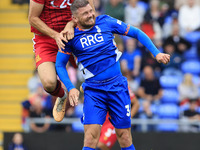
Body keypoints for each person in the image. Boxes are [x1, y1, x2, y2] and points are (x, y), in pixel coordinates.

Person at [55, 0, 170, 149]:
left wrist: (156, 53)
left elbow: (136, 32)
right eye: (85, 13)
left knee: (125, 136)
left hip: (117, 86)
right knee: (90, 139)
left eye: (91, 11)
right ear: (75, 19)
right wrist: (70, 87)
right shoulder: (70, 36)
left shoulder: (106, 21)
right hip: (94, 91)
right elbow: (59, 64)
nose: (91, 15)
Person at [28, 0, 94, 122]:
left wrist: (70, 24)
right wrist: (55, 35)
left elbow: (90, 12)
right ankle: (62, 96)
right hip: (46, 38)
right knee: (48, 83)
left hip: (75, 32)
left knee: (97, 67)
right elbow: (32, 18)